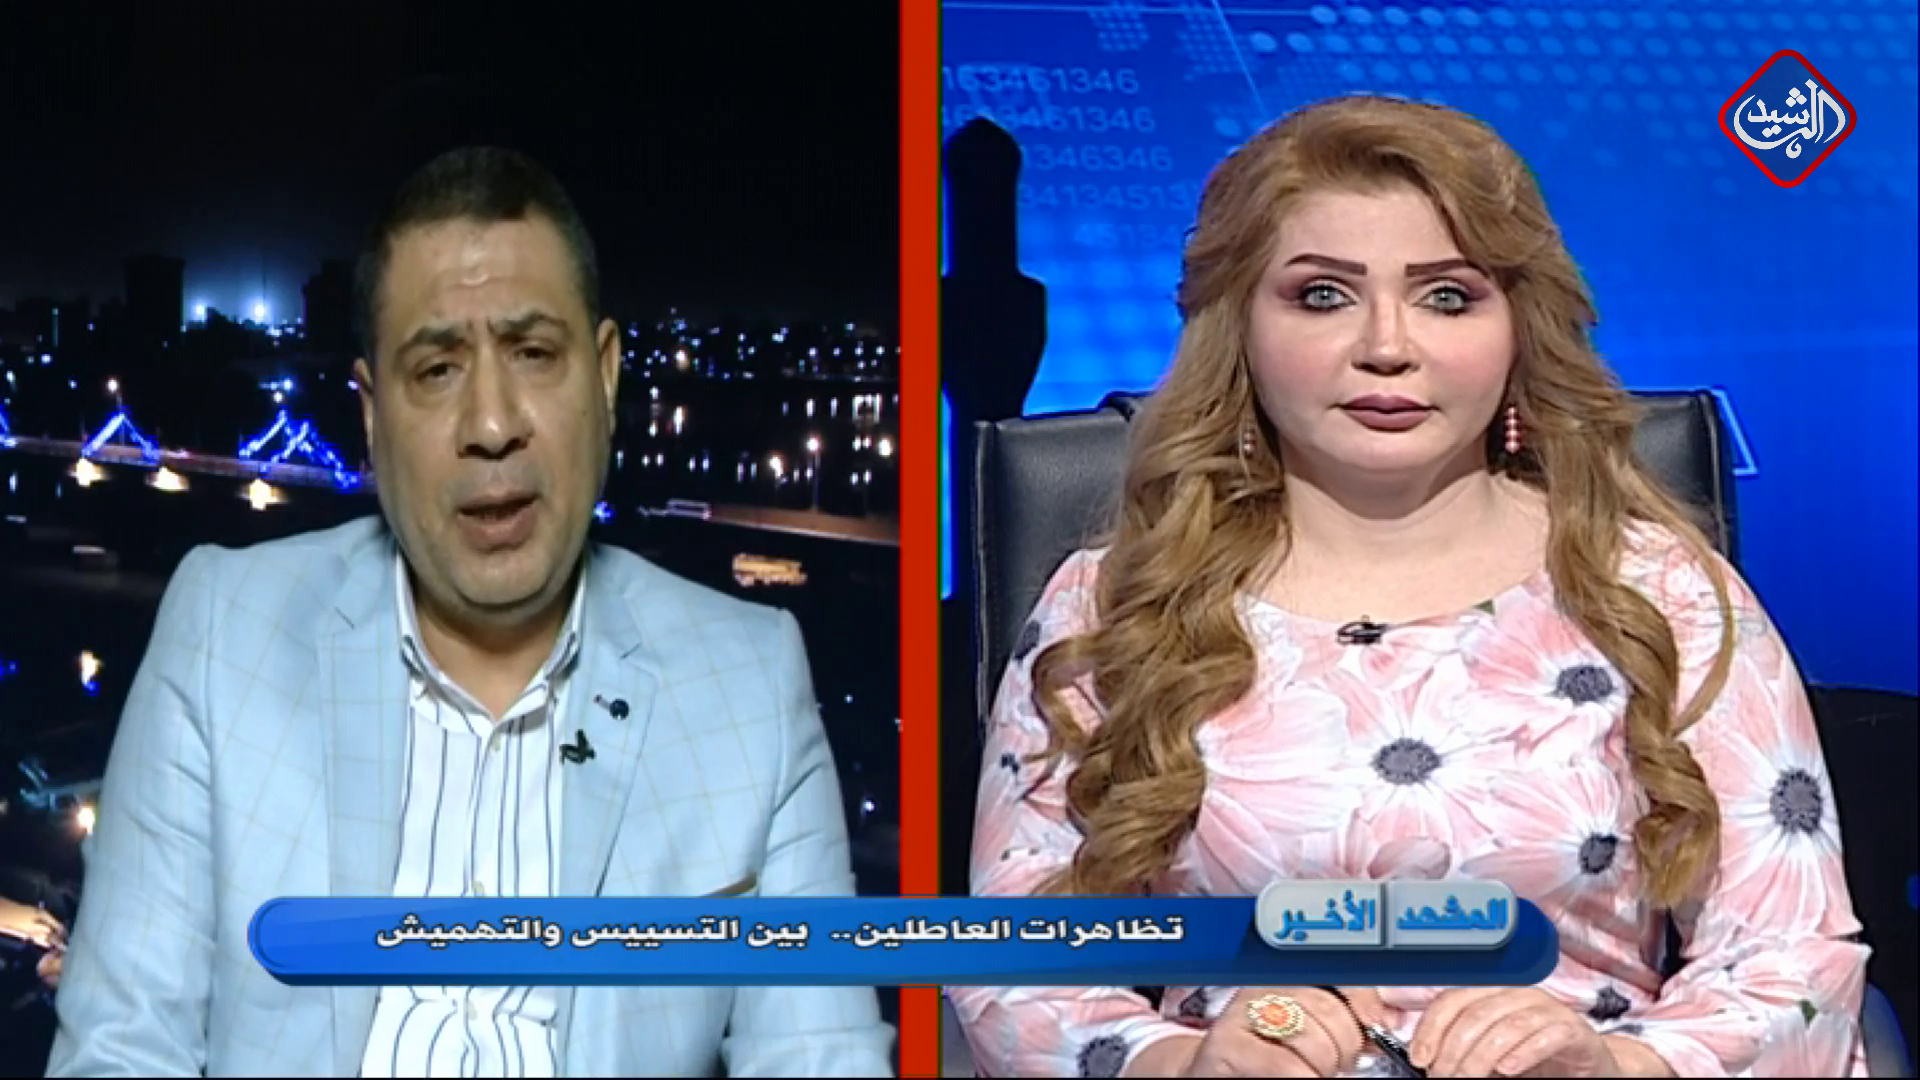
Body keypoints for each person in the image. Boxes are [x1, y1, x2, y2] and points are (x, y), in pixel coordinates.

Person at [953, 96, 1869, 1078]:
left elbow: (1793, 960)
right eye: (1322, 295)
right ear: (1240, 328)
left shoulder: (1659, 591)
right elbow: (1019, 963)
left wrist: (1619, 1066)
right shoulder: (1115, 602)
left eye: (1447, 296)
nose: (1387, 346)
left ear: (1517, 326)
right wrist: (1181, 1062)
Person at [47, 147, 894, 1078]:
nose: (492, 424)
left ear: (605, 377)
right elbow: (122, 1049)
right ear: (372, 414)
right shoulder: (222, 632)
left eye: (533, 354)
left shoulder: (751, 683)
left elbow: (822, 1056)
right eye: (438, 369)